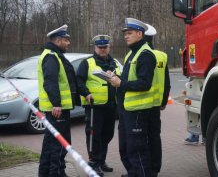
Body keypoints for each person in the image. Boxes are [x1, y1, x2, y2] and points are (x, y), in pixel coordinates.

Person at [109, 18, 159, 177]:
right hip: (126, 110)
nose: (126, 36)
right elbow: (128, 79)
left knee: (137, 151)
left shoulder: (145, 54)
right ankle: (133, 173)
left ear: (140, 34)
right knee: (126, 148)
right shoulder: (133, 53)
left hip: (137, 111)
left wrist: (120, 83)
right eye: (125, 33)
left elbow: (145, 83)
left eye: (129, 33)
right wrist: (114, 77)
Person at [76, 35, 121, 176]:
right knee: (94, 136)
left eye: (105, 47)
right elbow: (79, 81)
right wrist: (86, 93)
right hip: (95, 106)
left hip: (111, 105)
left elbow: (121, 79)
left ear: (109, 47)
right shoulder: (87, 63)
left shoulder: (114, 63)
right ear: (95, 48)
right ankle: (93, 163)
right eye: (100, 47)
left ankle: (101, 160)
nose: (102, 49)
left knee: (107, 134)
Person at [38, 24, 79, 177]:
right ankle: (56, 173)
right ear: (59, 40)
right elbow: (50, 82)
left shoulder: (52, 55)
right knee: (60, 144)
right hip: (56, 110)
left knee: (50, 144)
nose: (68, 43)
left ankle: (46, 173)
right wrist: (56, 104)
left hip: (55, 109)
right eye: (67, 40)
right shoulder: (51, 56)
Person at [144, 23, 171, 177]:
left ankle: (145, 167)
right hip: (156, 105)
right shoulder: (162, 55)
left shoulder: (137, 55)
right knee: (154, 136)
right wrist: (164, 101)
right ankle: (155, 168)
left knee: (142, 138)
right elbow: (166, 81)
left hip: (141, 104)